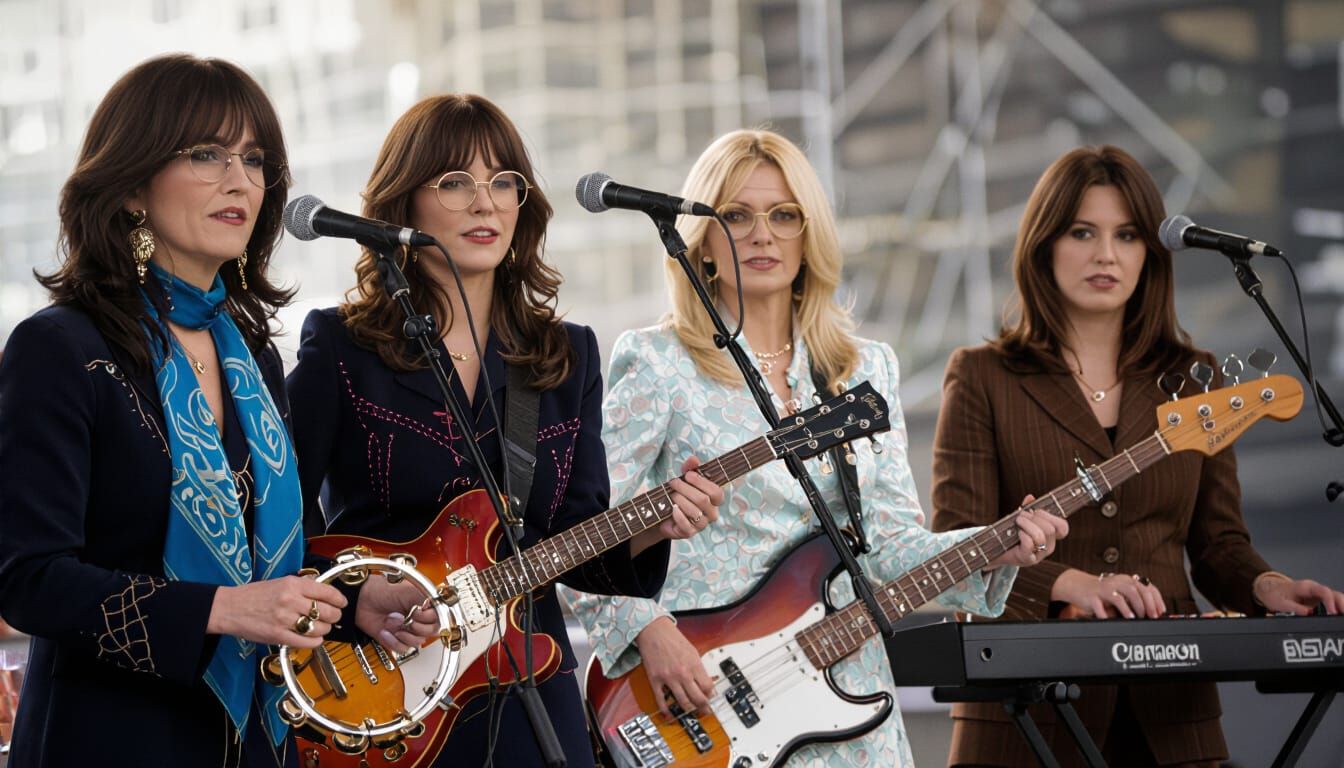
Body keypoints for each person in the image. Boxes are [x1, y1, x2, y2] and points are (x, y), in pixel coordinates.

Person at [562, 129, 1068, 766]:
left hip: (852, 701)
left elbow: (888, 546)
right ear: (703, 242)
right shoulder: (660, 363)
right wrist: (646, 629)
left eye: (783, 215)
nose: (761, 234)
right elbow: (578, 537)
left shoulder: (864, 371)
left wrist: (1000, 542)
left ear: (809, 233)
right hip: (702, 701)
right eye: (736, 215)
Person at [284, 93, 723, 767]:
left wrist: (651, 528)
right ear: (403, 204)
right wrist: (352, 596)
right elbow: (277, 522)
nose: (484, 203)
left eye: (502, 182)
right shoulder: (342, 346)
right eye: (455, 181)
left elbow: (578, 534)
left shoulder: (565, 354)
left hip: (527, 682)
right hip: (384, 681)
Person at [930, 144, 1344, 767]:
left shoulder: (1197, 377)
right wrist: (1071, 584)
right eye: (1082, 232)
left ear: (1150, 254)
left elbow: (1218, 544)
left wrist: (1268, 584)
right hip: (1024, 716)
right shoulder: (982, 376)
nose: (1106, 254)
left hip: (1171, 717)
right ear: (1044, 245)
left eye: (1126, 235)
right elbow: (956, 546)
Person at [0, 54, 355, 767]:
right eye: (205, 153)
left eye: (254, 160)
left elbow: (280, 548)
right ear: (132, 185)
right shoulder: (61, 348)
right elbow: (27, 579)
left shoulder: (253, 355)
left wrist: (355, 603)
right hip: (110, 738)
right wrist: (221, 609)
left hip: (256, 738)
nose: (239, 180)